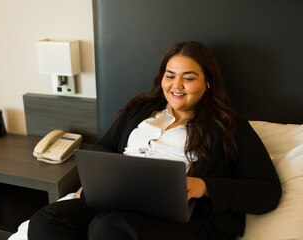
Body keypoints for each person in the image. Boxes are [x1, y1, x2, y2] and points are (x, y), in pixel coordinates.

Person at [27, 41, 281, 240]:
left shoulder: (230, 127)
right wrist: (115, 174)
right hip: (122, 199)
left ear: (208, 83)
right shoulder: (141, 109)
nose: (176, 85)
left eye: (189, 78)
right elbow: (104, 146)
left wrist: (202, 186)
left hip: (187, 219)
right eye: (170, 75)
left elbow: (268, 193)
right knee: (47, 219)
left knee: (109, 228)